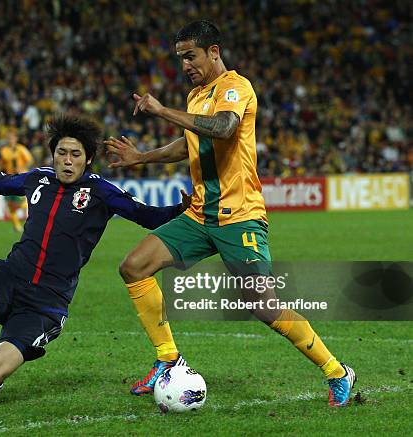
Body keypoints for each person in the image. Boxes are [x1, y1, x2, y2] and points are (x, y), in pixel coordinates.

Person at [105, 20, 356, 406]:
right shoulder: (196, 95)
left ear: (214, 52)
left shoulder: (236, 87)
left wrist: (161, 111)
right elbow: (190, 142)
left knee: (265, 308)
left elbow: (223, 128)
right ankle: (167, 359)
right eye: (180, 58)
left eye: (191, 56)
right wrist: (142, 158)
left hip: (239, 216)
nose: (185, 65)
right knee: (133, 266)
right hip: (199, 216)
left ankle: (337, 371)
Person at [0, 114, 190, 403]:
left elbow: (147, 216)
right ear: (53, 155)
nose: (67, 160)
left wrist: (181, 210)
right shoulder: (38, 179)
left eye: (75, 154)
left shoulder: (101, 192)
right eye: (62, 153)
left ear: (88, 159)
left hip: (46, 302)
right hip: (12, 275)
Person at [0, 129, 34, 232]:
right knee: (10, 204)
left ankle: (27, 205)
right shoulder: (4, 151)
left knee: (18, 203)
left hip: (21, 177)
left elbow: (30, 160)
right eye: (8, 138)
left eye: (11, 138)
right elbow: (0, 164)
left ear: (16, 139)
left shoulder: (21, 149)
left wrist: (22, 168)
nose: (10, 140)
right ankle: (16, 226)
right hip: (9, 178)